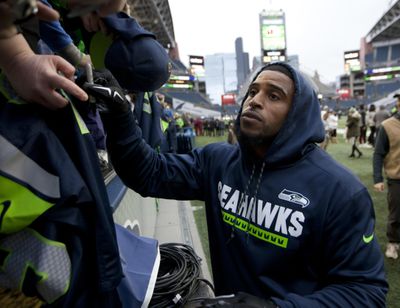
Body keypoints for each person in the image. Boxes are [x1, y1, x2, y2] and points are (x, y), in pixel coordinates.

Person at [85, 63, 388, 307]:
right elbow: (148, 173)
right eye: (253, 91)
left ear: (298, 116)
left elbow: (365, 292)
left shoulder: (340, 191)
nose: (255, 100)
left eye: (274, 96)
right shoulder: (218, 161)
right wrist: (121, 118)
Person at [373, 93, 400, 259]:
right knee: (396, 213)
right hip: (396, 177)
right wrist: (378, 179)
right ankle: (392, 243)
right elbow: (378, 154)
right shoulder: (388, 125)